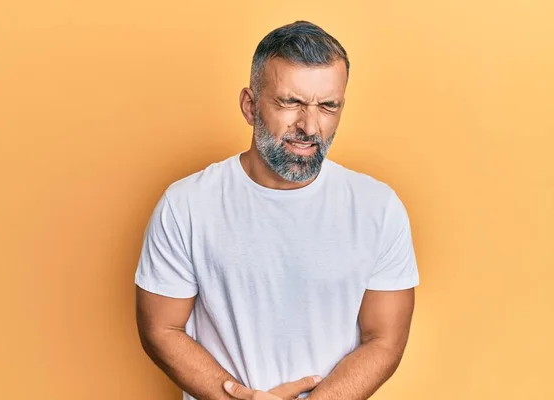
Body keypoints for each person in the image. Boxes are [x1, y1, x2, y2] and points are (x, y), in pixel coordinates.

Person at [134, 20, 420, 400]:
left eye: (328, 106)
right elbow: (161, 329)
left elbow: (384, 340)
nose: (309, 126)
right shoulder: (186, 204)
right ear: (250, 106)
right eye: (291, 102)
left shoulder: (378, 208)